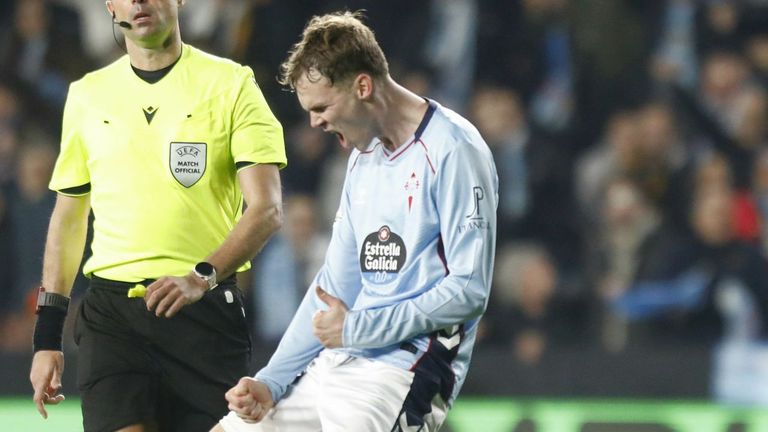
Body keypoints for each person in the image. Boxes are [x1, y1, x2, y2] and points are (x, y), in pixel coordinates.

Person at [213, 11, 498, 432]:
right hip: (339, 358)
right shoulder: (363, 158)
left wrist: (360, 327)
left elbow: (468, 289)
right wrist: (271, 381)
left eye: (322, 106)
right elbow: (334, 286)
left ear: (363, 86)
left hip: (404, 370)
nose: (315, 122)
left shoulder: (455, 150)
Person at [28, 0, 286, 431]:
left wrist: (200, 277)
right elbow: (68, 220)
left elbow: (267, 209)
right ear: (111, 7)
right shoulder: (88, 95)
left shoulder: (232, 84)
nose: (140, 1)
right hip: (113, 318)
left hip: (205, 314)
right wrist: (47, 337)